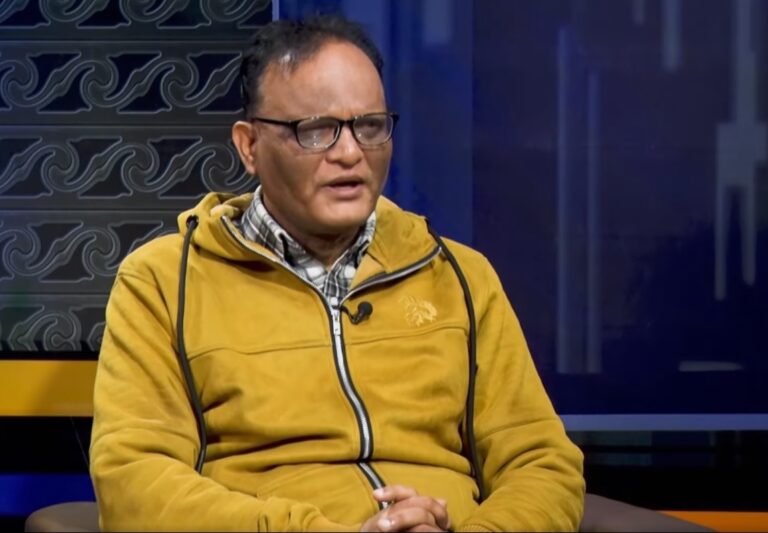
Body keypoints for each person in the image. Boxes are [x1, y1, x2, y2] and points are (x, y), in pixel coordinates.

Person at [89, 14, 585, 532]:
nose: (350, 153)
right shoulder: (162, 284)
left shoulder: (460, 276)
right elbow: (134, 482)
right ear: (250, 146)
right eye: (316, 130)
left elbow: (542, 463)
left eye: (369, 126)